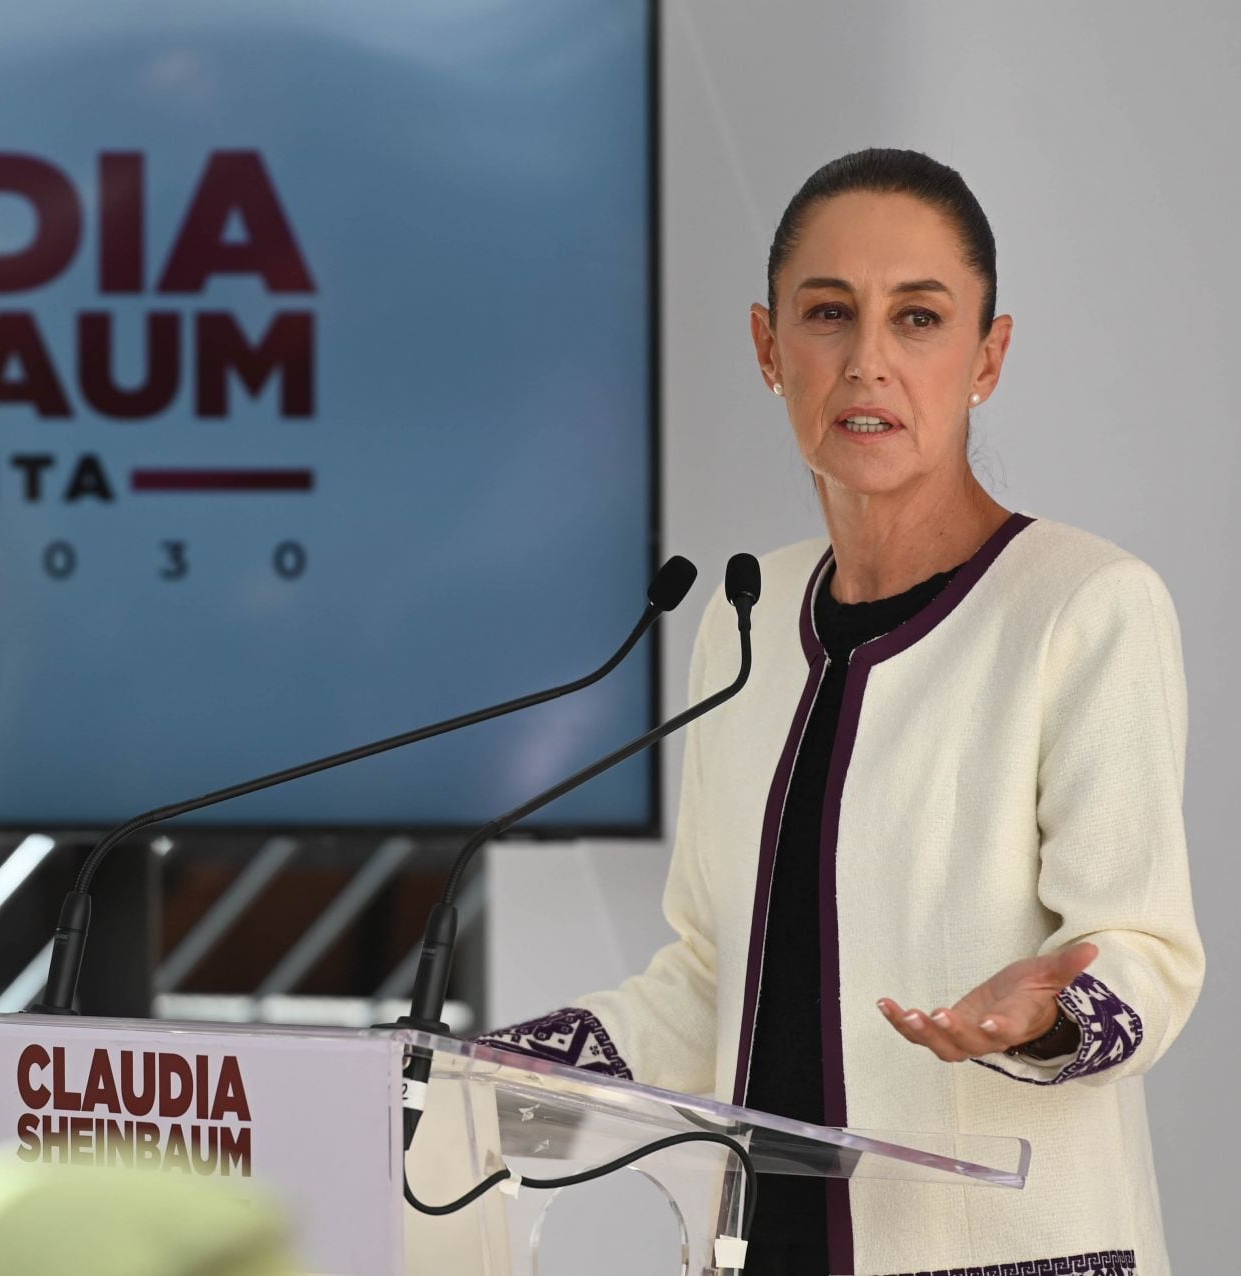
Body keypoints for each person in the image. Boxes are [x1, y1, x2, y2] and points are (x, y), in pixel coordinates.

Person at [479, 149, 1203, 1275]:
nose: (868, 362)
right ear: (770, 347)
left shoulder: (1084, 606)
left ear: (988, 356)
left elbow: (1147, 952)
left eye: (919, 318)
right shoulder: (745, 622)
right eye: (829, 314)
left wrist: (1047, 1017)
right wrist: (514, 1063)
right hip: (757, 1249)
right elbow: (718, 975)